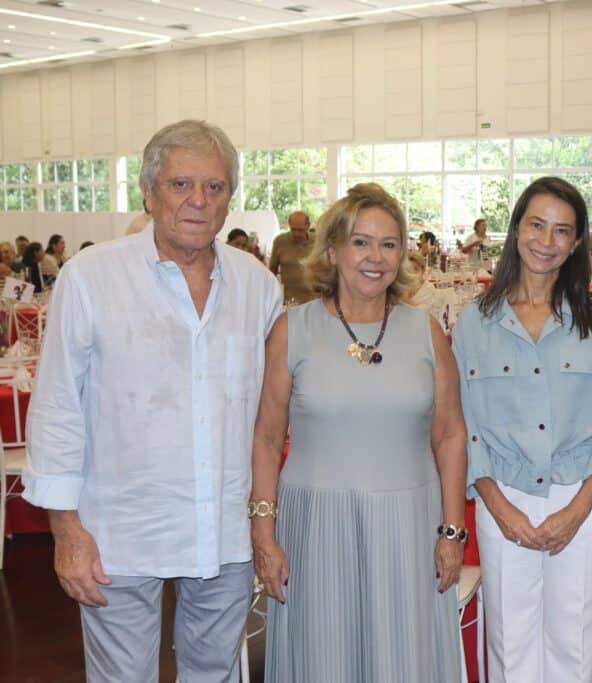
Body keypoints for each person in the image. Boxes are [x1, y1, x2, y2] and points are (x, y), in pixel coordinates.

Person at [21, 119, 283, 682]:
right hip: (119, 530)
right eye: (180, 184)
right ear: (147, 190)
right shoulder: (91, 277)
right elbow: (58, 407)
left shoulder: (258, 286)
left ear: (230, 197)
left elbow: (268, 416)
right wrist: (66, 532)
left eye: (214, 187)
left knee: (213, 673)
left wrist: (264, 524)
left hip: (223, 531)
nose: (198, 200)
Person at [252, 182, 465, 682]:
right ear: (332, 250)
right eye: (360, 242)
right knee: (322, 659)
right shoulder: (292, 330)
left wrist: (452, 531)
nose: (376, 257)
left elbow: (451, 435)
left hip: (409, 527)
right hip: (315, 527)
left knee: (404, 660)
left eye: (389, 244)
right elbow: (266, 437)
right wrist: (263, 533)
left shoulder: (426, 332)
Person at [454, 176, 592, 683]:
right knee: (509, 645)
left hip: (582, 499)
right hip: (502, 498)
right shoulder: (475, 322)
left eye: (562, 230)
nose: (546, 241)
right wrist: (500, 508)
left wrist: (576, 511)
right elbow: (463, 427)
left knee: (575, 647)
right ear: (516, 230)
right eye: (536, 225)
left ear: (576, 243)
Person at [270, 211, 317, 304]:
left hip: (313, 299)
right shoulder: (280, 241)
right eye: (293, 229)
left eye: (300, 230)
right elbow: (272, 270)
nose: (296, 234)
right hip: (290, 300)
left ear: (308, 226)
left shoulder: (317, 241)